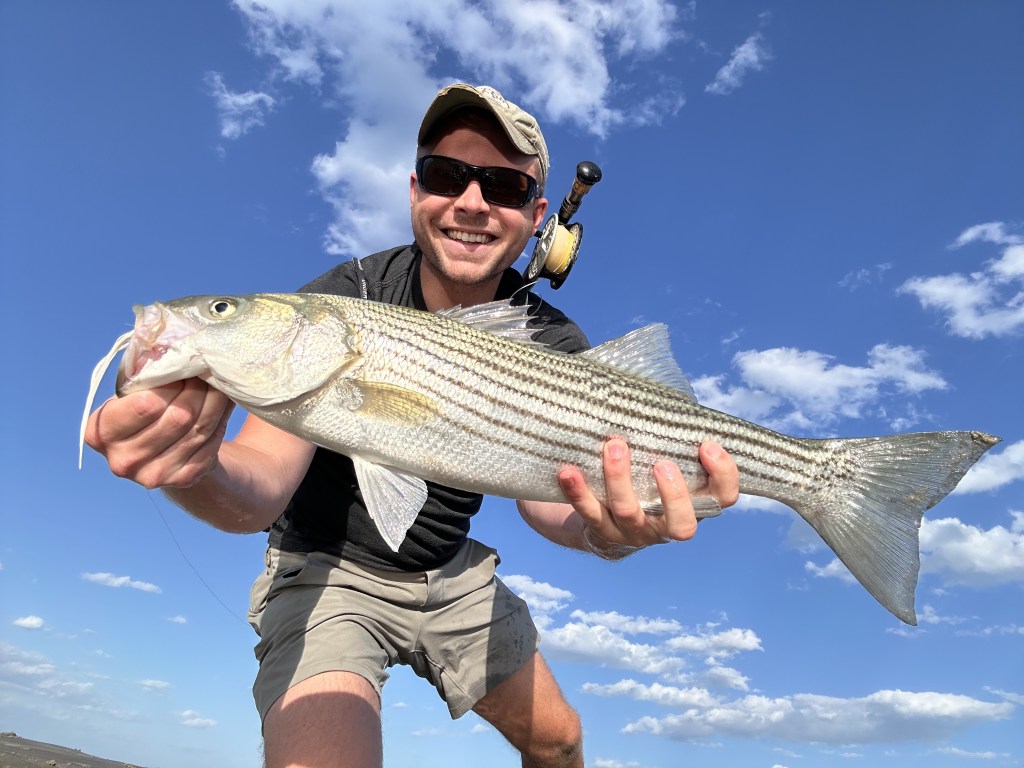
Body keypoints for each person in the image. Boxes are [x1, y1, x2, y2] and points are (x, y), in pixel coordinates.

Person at [84, 83, 740, 768]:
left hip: (450, 570)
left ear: (536, 214)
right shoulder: (347, 297)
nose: (472, 202)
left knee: (561, 741)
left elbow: (550, 500)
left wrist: (610, 534)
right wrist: (195, 468)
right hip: (327, 570)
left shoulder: (550, 338)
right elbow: (259, 488)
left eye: (505, 186)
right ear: (414, 189)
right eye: (446, 174)